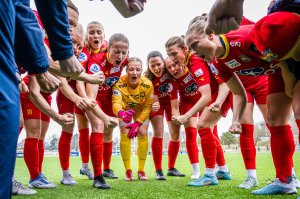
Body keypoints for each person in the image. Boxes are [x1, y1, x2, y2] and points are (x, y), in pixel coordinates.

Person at [185, 15, 298, 195]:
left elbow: (283, 53)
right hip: (276, 72)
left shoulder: (243, 40)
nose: (193, 52)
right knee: (275, 120)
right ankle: (285, 182)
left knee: (297, 111)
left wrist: (290, 85)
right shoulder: (219, 63)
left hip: (292, 62)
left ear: (211, 35)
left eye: (195, 45)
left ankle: (291, 176)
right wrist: (236, 119)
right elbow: (238, 93)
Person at [165, 36, 232, 186]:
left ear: (185, 49)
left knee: (202, 126)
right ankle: (222, 170)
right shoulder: (190, 62)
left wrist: (186, 116)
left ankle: (210, 175)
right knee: (206, 129)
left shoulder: (195, 62)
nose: (172, 59)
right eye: (169, 55)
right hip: (220, 91)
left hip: (222, 93)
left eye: (174, 54)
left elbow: (206, 96)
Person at [145, 51, 185, 180]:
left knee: (175, 135)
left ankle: (171, 168)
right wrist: (151, 104)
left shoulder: (170, 72)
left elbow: (174, 98)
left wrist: (177, 115)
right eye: (152, 66)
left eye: (158, 64)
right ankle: (158, 170)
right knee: (159, 131)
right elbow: (150, 98)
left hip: (171, 104)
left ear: (163, 62)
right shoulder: (147, 77)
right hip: (156, 104)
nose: (156, 68)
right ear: (148, 66)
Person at [112, 57, 154, 181]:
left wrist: (138, 123)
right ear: (126, 70)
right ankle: (128, 171)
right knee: (125, 133)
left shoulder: (148, 84)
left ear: (142, 71)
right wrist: (121, 113)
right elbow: (116, 103)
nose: (134, 73)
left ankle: (141, 170)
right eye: (131, 69)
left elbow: (147, 106)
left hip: (140, 110)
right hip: (125, 110)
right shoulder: (119, 83)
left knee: (143, 132)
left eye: (137, 69)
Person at [77, 21, 108, 180]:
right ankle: (92, 171)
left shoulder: (109, 49)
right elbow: (79, 79)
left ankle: (90, 168)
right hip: (78, 92)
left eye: (98, 32)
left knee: (93, 126)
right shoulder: (83, 51)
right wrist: (84, 98)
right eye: (91, 32)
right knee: (88, 126)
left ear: (104, 34)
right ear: (86, 36)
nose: (95, 35)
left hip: (96, 93)